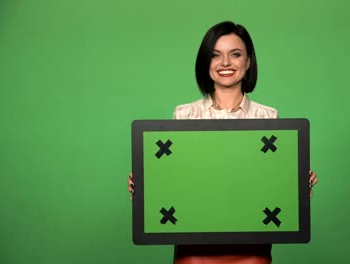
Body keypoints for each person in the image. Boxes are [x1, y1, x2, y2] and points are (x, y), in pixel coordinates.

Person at [128, 21, 319, 264]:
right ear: (205, 62)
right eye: (215, 55)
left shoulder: (268, 117)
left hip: (252, 247)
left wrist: (299, 182)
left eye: (235, 54)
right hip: (194, 246)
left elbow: (272, 183)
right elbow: (176, 178)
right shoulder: (185, 115)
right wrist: (146, 184)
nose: (226, 63)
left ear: (248, 61)